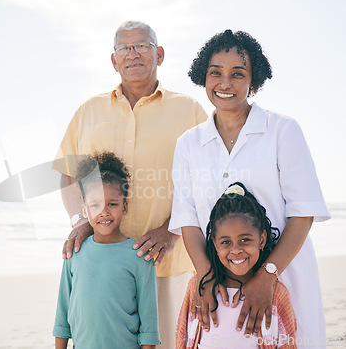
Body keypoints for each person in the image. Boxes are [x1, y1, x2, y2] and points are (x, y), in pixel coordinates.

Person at [169, 29, 330, 347]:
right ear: (204, 76)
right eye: (216, 73)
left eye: (237, 74)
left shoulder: (282, 130)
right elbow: (188, 218)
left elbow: (303, 212)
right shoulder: (188, 144)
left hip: (285, 277)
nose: (225, 83)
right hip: (218, 290)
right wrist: (205, 276)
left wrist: (268, 276)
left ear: (253, 81)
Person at [53, 20, 207, 348]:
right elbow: (67, 173)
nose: (133, 53)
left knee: (164, 343)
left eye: (142, 45)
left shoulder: (189, 110)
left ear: (159, 54)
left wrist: (172, 230)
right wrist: (79, 220)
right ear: (113, 60)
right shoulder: (88, 111)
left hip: (168, 262)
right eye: (124, 47)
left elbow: (203, 181)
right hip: (103, 262)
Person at [53, 152, 161, 348]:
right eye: (95, 205)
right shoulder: (74, 253)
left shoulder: (139, 256)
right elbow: (62, 314)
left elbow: (149, 324)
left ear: (124, 207)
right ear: (84, 209)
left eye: (112, 204)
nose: (104, 211)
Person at [176, 182, 297, 348]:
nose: (236, 250)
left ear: (261, 239)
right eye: (226, 242)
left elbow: (287, 343)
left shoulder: (276, 293)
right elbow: (182, 337)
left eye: (245, 240)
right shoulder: (197, 287)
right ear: (215, 244)